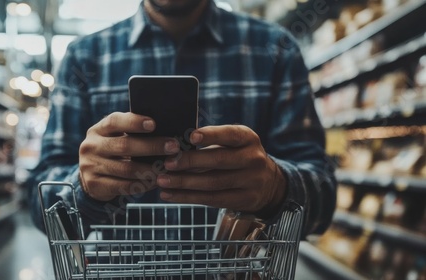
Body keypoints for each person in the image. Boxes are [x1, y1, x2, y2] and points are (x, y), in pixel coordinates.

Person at [26, 0, 337, 239]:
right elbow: (40, 204)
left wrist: (276, 186)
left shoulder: (278, 51)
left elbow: (323, 203)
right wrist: (82, 187)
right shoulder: (84, 57)